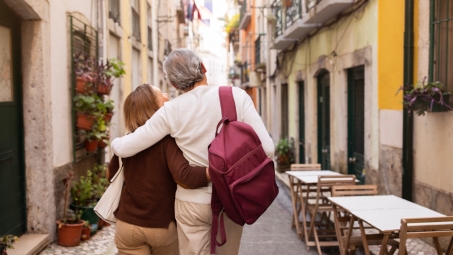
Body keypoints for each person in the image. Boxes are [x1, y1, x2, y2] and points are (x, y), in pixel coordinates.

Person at [111, 48, 274, 255]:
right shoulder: (236, 96)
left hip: (190, 203)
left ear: (174, 84)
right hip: (230, 198)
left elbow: (125, 148)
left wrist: (115, 142)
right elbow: (267, 149)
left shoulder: (170, 111)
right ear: (203, 68)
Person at [108, 83, 210, 255]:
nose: (166, 95)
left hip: (127, 225)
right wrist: (214, 172)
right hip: (161, 226)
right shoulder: (167, 142)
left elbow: (110, 174)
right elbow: (184, 176)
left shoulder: (127, 142)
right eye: (160, 94)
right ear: (155, 109)